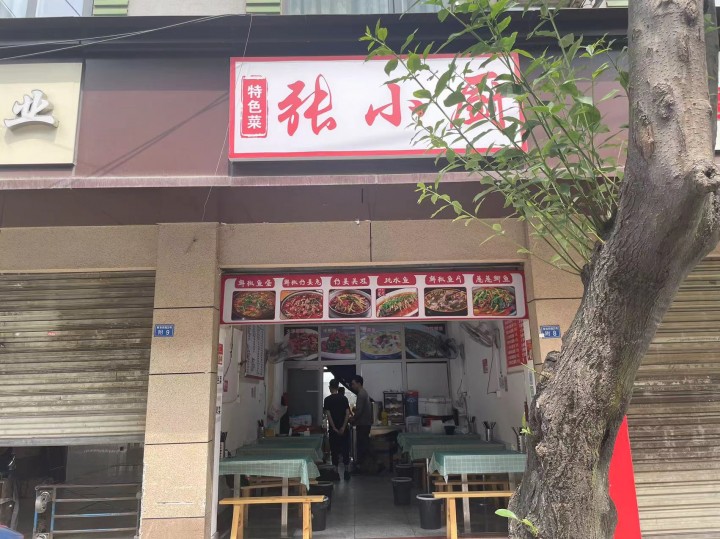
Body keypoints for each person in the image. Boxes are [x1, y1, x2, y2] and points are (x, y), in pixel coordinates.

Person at [323, 379, 351, 480]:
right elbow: (347, 413)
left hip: (333, 431)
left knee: (334, 451)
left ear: (330, 387)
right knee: (345, 450)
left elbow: (328, 415)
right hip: (344, 430)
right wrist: (343, 427)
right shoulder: (344, 399)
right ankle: (346, 472)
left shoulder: (327, 400)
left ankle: (336, 473)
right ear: (338, 387)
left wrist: (334, 428)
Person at [350, 375, 376, 474]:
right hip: (365, 424)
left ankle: (361, 467)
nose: (352, 386)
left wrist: (352, 419)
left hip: (362, 424)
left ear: (359, 383)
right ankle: (370, 465)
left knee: (362, 447)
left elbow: (359, 411)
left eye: (353, 384)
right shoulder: (364, 392)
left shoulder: (361, 394)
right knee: (365, 446)